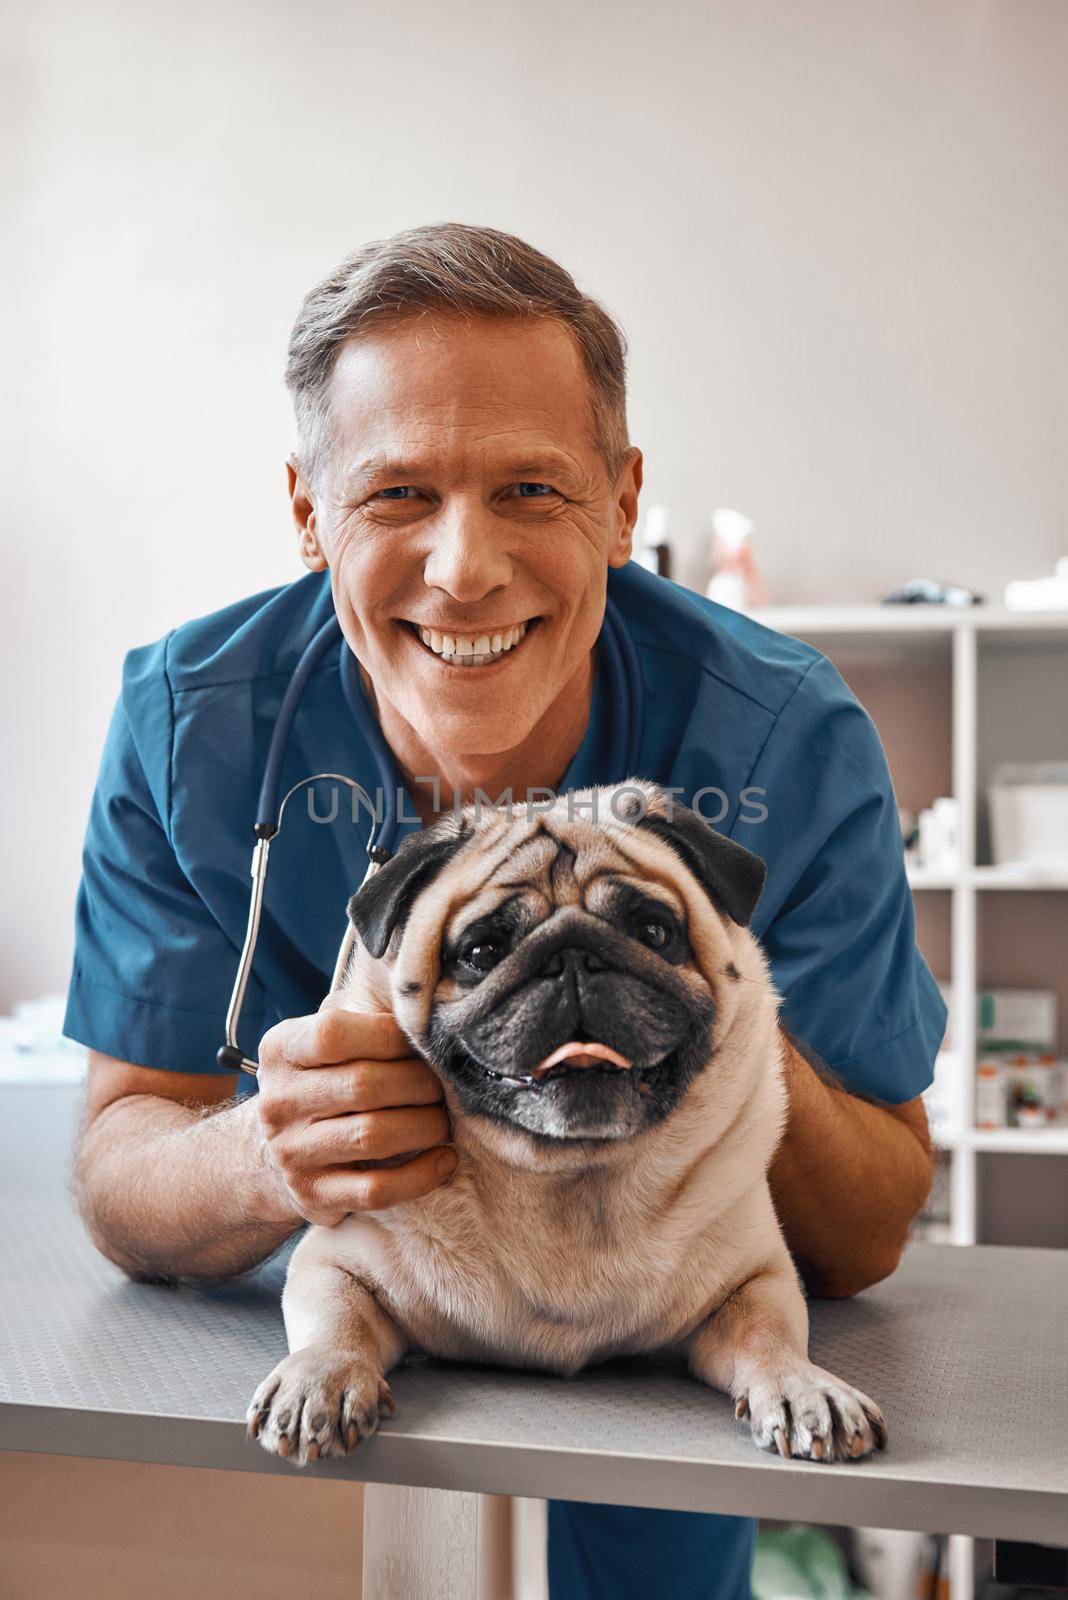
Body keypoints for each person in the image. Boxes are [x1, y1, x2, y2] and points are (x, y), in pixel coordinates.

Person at [67, 222, 944, 1600]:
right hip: (363, 1324)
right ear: (309, 514)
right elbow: (120, 1173)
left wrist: (701, 999)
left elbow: (873, 1224)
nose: (465, 568)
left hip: (669, 1352)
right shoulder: (197, 727)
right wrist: (263, 1158)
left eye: (531, 487)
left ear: (619, 496)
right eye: (398, 493)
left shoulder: (780, 735)